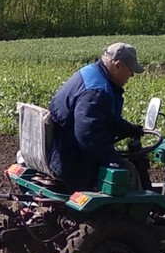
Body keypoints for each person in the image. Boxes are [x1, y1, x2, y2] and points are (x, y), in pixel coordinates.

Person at [47, 41, 146, 190]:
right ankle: (136, 212)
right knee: (128, 172)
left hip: (63, 148)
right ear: (118, 65)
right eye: (130, 70)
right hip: (72, 161)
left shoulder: (90, 73)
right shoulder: (97, 91)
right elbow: (88, 134)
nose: (131, 75)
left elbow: (101, 119)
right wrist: (112, 159)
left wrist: (128, 129)